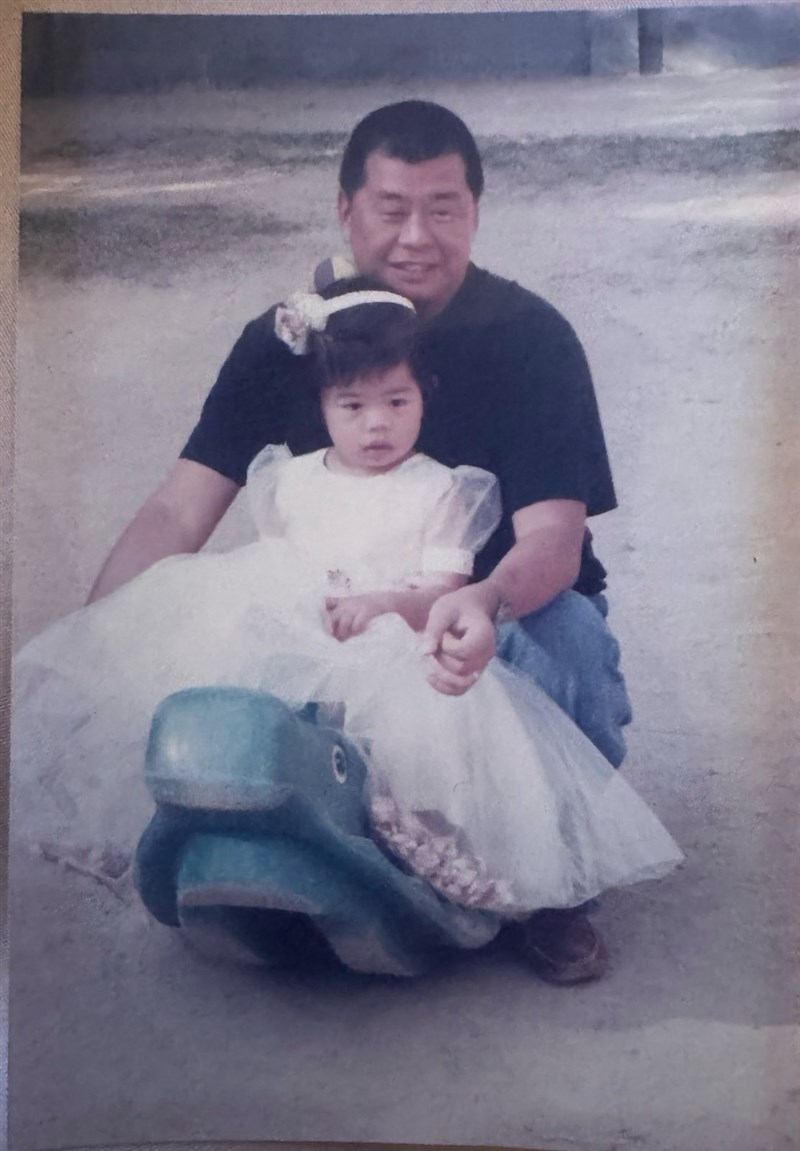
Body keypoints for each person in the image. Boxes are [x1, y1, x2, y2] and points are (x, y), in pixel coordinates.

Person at [82, 100, 635, 983]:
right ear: (346, 209)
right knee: (220, 666)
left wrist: (480, 601)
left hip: (490, 611)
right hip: (335, 615)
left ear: (477, 211)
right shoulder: (288, 341)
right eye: (391, 207)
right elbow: (178, 512)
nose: (417, 235)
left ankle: (548, 885)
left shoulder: (534, 340)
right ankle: (308, 860)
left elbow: (554, 542)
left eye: (444, 208)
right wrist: (101, 637)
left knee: (563, 638)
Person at [12, 284, 680, 931]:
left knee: (417, 751)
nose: (377, 422)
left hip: (392, 643)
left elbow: (442, 590)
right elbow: (265, 557)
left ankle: (444, 874)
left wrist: (384, 601)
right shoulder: (292, 478)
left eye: (397, 400)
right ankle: (244, 848)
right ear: (322, 405)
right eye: (353, 405)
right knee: (221, 674)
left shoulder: (443, 490)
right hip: (305, 638)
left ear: (425, 396)